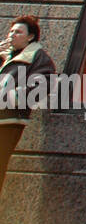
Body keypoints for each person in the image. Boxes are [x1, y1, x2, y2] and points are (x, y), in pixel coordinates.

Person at [0, 16, 56, 193]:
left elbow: (42, 85)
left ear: (30, 37)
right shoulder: (6, 56)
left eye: (18, 32)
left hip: (8, 123)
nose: (12, 35)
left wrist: (9, 97)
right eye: (11, 31)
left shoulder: (38, 57)